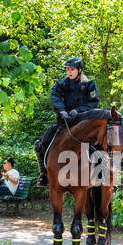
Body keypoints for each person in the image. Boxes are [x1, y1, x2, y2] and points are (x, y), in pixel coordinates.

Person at [35, 57, 100, 187]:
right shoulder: (61, 84)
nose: (69, 72)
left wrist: (79, 111)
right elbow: (55, 96)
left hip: (83, 123)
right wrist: (61, 110)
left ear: (79, 70)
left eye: (72, 70)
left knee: (101, 144)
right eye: (68, 70)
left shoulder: (89, 84)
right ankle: (44, 175)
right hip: (63, 123)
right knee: (40, 143)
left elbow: (93, 102)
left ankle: (101, 174)